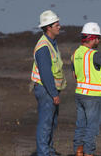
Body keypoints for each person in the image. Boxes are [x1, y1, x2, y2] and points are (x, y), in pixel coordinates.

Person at [72, 22, 101, 156]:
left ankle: (78, 152)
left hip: (80, 94)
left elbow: (74, 74)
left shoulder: (76, 54)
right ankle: (88, 153)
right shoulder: (93, 54)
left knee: (80, 126)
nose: (98, 41)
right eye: (98, 38)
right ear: (92, 38)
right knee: (92, 128)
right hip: (93, 97)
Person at [31, 10, 66, 156]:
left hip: (50, 90)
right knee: (46, 124)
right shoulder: (44, 46)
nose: (59, 26)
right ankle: (44, 153)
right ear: (48, 27)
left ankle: (49, 151)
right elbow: (46, 74)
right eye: (56, 24)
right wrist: (53, 93)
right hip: (46, 90)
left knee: (51, 123)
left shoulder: (51, 43)